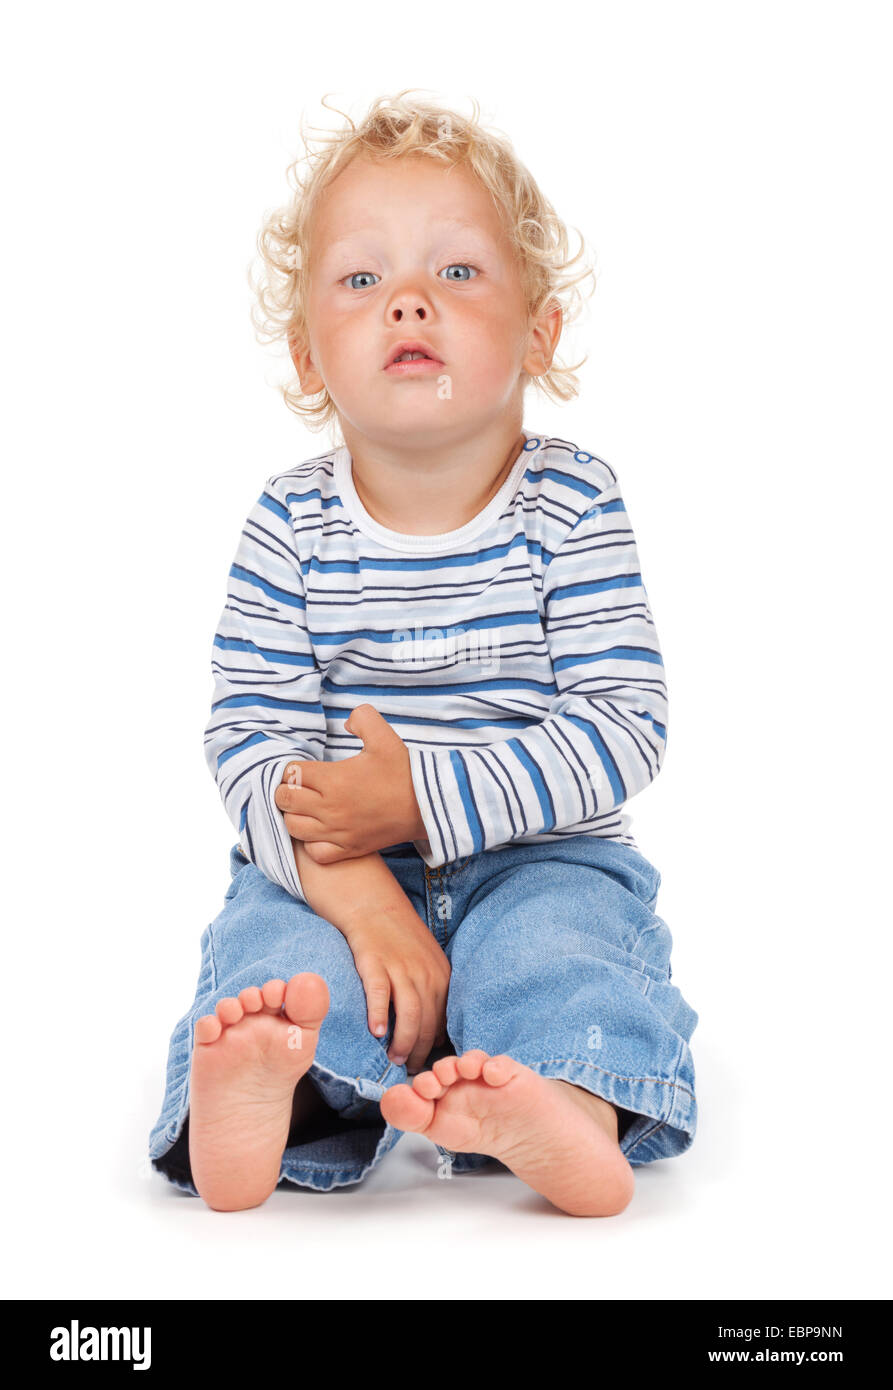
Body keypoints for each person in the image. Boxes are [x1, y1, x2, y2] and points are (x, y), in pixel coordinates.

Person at [148, 91, 699, 1217]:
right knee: (273, 949)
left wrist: (423, 797)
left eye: (456, 273)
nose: (407, 297)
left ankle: (563, 1107)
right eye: (362, 279)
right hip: (344, 876)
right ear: (309, 355)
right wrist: (358, 893)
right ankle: (270, 1092)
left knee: (564, 949)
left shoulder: (570, 505)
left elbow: (621, 721)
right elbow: (251, 737)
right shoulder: (288, 525)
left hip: (541, 859)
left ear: (537, 333)